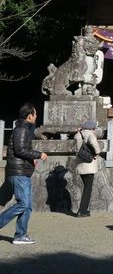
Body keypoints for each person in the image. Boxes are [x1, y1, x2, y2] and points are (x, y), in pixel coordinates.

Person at [0, 102, 47, 244]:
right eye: (35, 113)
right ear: (29, 116)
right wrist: (38, 155)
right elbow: (20, 150)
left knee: (27, 206)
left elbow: (22, 151)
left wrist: (32, 159)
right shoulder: (21, 129)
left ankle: (20, 235)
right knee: (23, 204)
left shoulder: (24, 128)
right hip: (18, 172)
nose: (36, 116)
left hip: (22, 171)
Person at [75, 118, 101, 217]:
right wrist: (97, 153)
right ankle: (82, 210)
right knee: (88, 188)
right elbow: (95, 145)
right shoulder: (90, 134)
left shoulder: (78, 134)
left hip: (80, 163)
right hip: (89, 164)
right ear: (92, 127)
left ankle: (84, 209)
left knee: (86, 187)